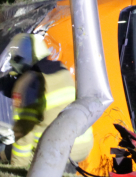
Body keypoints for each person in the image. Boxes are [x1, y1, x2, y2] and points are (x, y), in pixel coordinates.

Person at [7, 32, 93, 168]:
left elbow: (24, 131)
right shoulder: (61, 69)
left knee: (6, 152)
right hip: (82, 144)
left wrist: (17, 169)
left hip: (55, 150)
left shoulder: (27, 82)